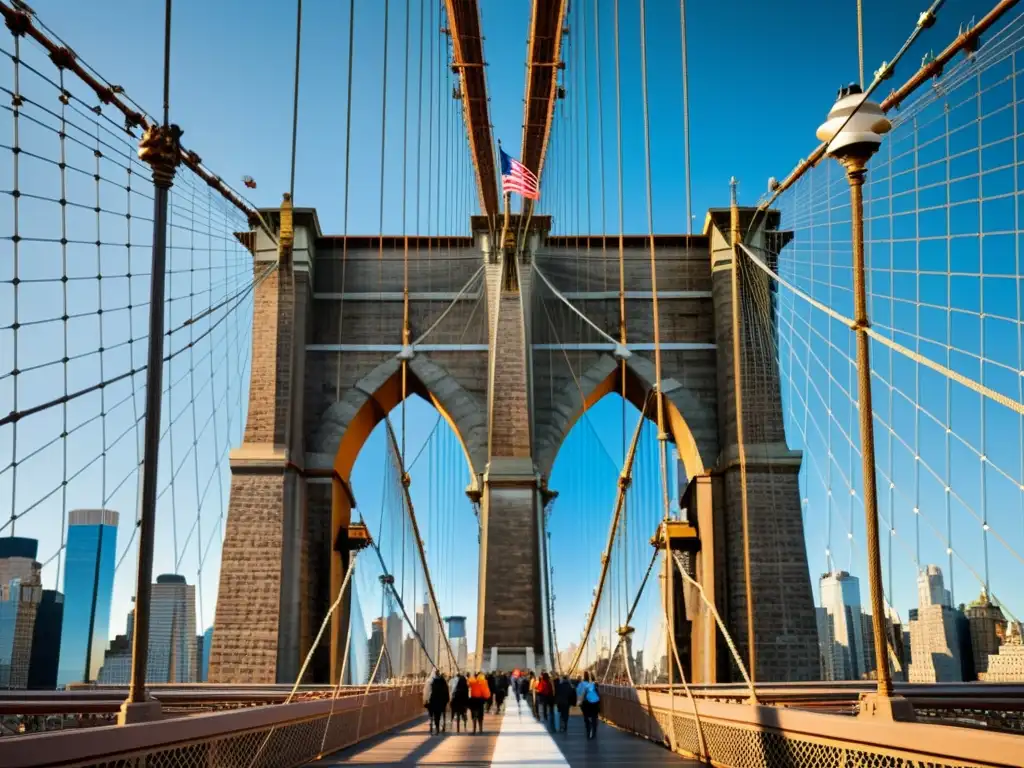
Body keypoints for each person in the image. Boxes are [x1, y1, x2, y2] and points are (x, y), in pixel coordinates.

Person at [576, 672, 601, 740]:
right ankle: (594, 731)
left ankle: (588, 730)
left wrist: (579, 702)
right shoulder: (595, 684)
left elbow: (578, 692)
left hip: (585, 703)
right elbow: (599, 693)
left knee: (586, 717)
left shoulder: (581, 684)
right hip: (595, 702)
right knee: (594, 717)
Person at [425, 669, 450, 735]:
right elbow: (446, 691)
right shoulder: (443, 682)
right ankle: (439, 727)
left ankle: (436, 728)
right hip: (441, 702)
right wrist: (447, 700)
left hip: (434, 701)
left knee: (434, 715)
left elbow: (429, 692)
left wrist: (427, 700)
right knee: (439, 715)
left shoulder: (432, 681)